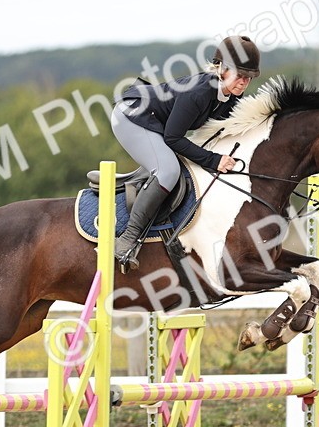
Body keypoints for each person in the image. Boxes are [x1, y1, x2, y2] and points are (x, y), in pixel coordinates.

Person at [110, 35, 262, 268]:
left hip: (154, 122)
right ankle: (127, 240)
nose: (243, 82)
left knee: (179, 164)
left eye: (248, 77)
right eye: (239, 75)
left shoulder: (230, 97)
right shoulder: (200, 92)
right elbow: (173, 138)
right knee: (168, 171)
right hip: (132, 116)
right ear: (221, 68)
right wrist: (213, 161)